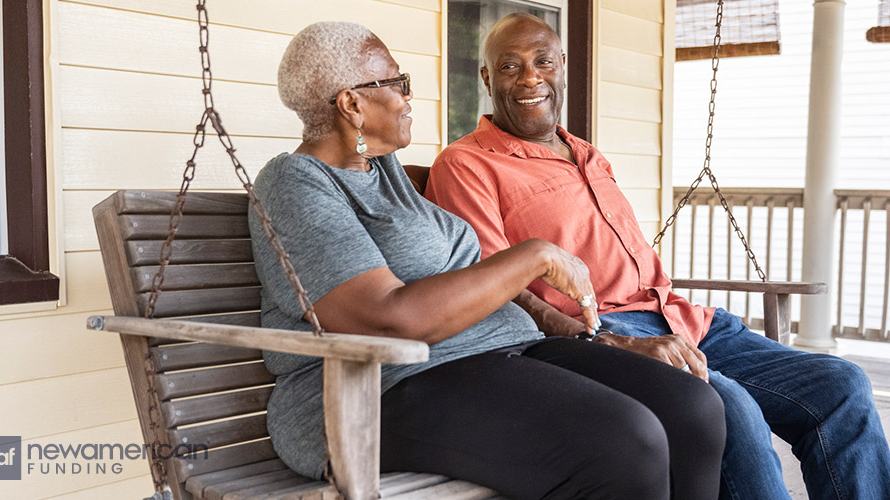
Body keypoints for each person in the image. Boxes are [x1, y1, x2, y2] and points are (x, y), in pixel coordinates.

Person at [424, 13, 890, 500]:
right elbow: (495, 286)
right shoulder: (467, 164)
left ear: (563, 66)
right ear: (485, 78)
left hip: (679, 316)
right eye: (509, 66)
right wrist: (595, 339)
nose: (530, 77)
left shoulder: (587, 154)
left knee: (840, 384)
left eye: (543, 61)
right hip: (604, 330)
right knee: (729, 404)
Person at [250, 21, 727, 500]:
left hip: (497, 353)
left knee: (691, 408)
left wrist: (588, 332)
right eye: (398, 84)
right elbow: (386, 319)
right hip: (377, 392)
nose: (408, 97)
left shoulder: (384, 171)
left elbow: (472, 282)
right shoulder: (294, 184)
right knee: (624, 440)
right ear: (352, 103)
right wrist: (532, 255)